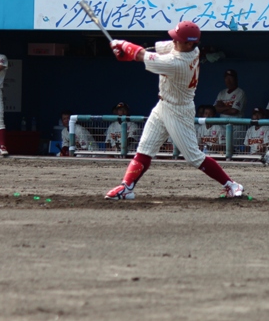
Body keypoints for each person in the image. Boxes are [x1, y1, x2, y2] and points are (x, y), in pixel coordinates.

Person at [105, 22, 245, 200]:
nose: (174, 41)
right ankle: (127, 187)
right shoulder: (188, 48)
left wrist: (122, 45)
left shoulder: (178, 63)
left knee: (194, 157)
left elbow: (142, 55)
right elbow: (153, 48)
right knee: (145, 149)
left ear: (189, 44)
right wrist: (127, 53)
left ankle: (231, 185)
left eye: (178, 39)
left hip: (179, 110)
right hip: (163, 105)